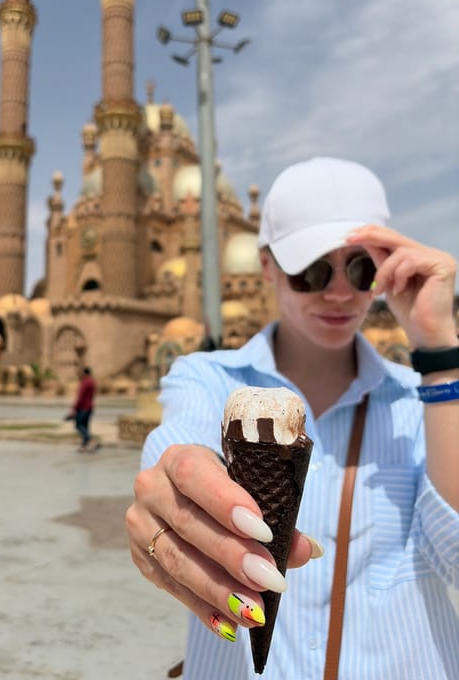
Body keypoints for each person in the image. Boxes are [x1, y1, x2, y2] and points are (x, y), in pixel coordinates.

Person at [126, 157, 459, 679]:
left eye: (362, 267)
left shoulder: (425, 402)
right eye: (312, 269)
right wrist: (174, 497)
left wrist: (439, 350)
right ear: (265, 267)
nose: (341, 292)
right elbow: (174, 452)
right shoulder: (207, 379)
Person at [66, 366, 97, 452]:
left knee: (79, 425)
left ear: (84, 373)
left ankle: (90, 440)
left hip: (83, 407)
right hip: (90, 407)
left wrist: (74, 409)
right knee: (85, 426)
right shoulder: (92, 382)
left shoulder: (85, 382)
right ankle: (85, 445)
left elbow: (80, 396)